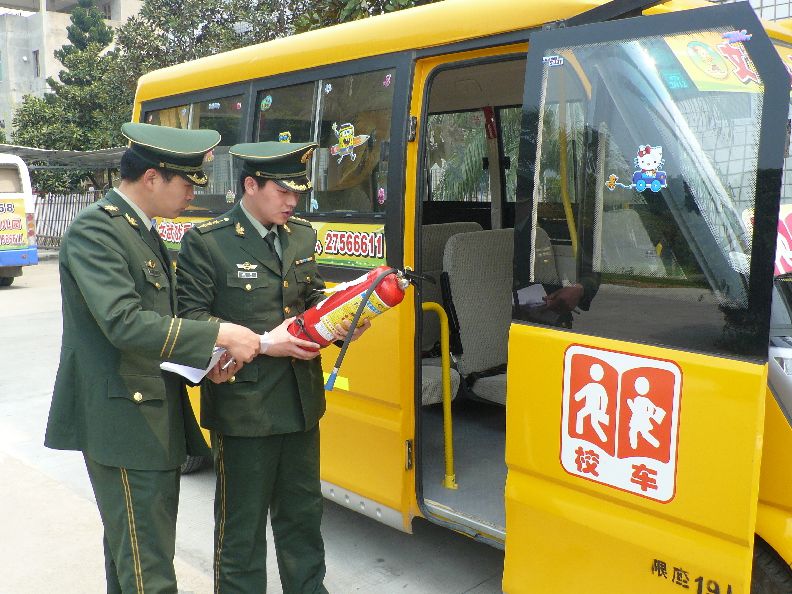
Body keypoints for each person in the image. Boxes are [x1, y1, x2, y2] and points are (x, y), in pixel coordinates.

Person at [44, 122, 270, 594]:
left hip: (149, 411)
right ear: (151, 178)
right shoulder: (96, 231)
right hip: (123, 420)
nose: (192, 194)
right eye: (187, 183)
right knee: (148, 568)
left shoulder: (141, 232)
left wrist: (207, 358)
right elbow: (124, 322)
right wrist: (220, 331)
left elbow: (160, 326)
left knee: (133, 553)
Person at [176, 140, 368, 593]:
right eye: (282, 190)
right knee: (241, 528)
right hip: (245, 408)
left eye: (297, 192)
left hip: (300, 403)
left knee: (303, 517)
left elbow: (309, 299)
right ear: (250, 185)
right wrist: (264, 344)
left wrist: (341, 319)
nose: (291, 201)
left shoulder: (301, 234)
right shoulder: (208, 242)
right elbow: (192, 322)